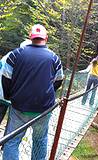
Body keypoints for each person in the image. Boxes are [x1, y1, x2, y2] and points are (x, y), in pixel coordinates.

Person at [2, 24, 64, 160]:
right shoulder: (54, 58)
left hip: (19, 107)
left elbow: (6, 78)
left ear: (31, 37)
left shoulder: (15, 54)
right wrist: (48, 92)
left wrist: (9, 96)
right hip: (44, 109)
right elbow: (59, 80)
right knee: (40, 140)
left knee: (12, 141)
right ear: (46, 38)